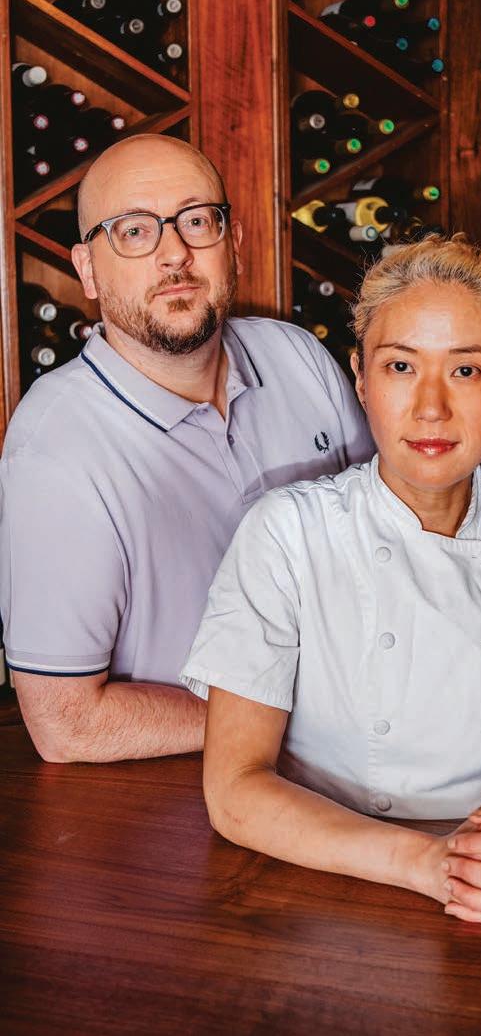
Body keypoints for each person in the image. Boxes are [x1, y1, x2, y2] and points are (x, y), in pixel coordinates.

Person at [181, 235, 481, 931]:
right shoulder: (286, 534)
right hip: (329, 895)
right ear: (361, 380)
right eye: (400, 366)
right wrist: (431, 864)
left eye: (467, 370)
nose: (431, 407)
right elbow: (234, 789)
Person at [0, 134, 373, 764]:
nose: (174, 254)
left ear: (234, 243)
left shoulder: (300, 358)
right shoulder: (56, 449)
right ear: (88, 270)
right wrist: (295, 719)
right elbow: (66, 724)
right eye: (134, 231)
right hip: (178, 795)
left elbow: (388, 546)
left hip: (365, 758)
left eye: (197, 221)